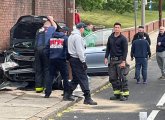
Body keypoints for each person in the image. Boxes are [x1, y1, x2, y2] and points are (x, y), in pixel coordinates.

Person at [68, 22, 97, 105]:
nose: (84, 30)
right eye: (83, 28)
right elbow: (80, 50)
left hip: (72, 59)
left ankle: (67, 93)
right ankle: (87, 98)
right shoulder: (77, 37)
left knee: (76, 79)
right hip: (78, 60)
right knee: (84, 78)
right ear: (81, 28)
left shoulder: (71, 36)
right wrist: (83, 61)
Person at [44, 27, 74, 101]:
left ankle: (47, 93)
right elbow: (68, 50)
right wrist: (67, 58)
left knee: (50, 76)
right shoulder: (65, 38)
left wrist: (50, 57)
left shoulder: (51, 38)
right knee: (65, 77)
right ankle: (66, 94)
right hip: (62, 60)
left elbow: (46, 50)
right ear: (65, 32)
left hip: (52, 60)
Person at [104, 22, 129, 101]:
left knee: (122, 78)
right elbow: (108, 48)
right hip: (112, 61)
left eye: (118, 27)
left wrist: (123, 61)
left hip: (120, 60)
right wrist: (105, 57)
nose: (116, 29)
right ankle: (117, 94)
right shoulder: (110, 37)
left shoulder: (123, 39)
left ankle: (124, 94)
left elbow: (125, 51)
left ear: (120, 29)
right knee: (112, 78)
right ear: (114, 28)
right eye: (115, 27)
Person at [34, 16, 57, 93]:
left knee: (38, 69)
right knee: (47, 69)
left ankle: (38, 88)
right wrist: (51, 19)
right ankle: (46, 87)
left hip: (37, 51)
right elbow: (55, 26)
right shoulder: (50, 29)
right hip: (45, 51)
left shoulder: (38, 30)